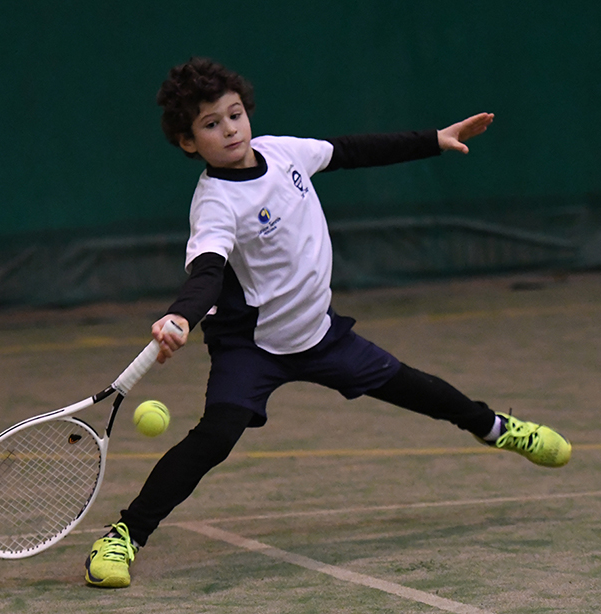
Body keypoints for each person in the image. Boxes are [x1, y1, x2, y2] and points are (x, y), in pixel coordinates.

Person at [84, 57, 571, 588]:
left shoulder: (284, 153)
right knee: (215, 438)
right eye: (210, 123)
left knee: (416, 388)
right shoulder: (216, 203)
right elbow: (207, 271)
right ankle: (124, 536)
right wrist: (181, 314)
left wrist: (433, 139)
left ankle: (496, 428)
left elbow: (354, 150)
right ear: (187, 141)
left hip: (320, 334)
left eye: (234, 114)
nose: (229, 128)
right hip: (253, 347)